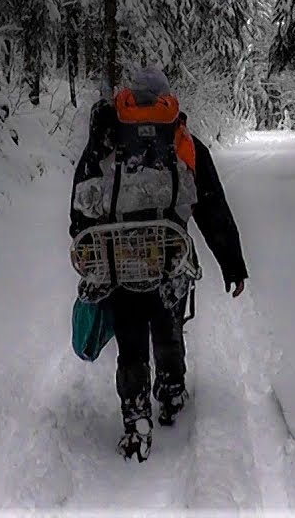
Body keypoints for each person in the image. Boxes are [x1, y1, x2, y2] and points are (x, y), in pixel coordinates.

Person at [69, 67, 248, 462]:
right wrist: (232, 264)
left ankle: (136, 421)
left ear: (130, 96)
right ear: (166, 98)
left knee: (130, 344)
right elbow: (211, 206)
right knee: (167, 327)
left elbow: (82, 200)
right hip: (168, 254)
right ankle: (170, 392)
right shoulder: (182, 140)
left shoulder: (106, 136)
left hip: (117, 259)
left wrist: (85, 245)